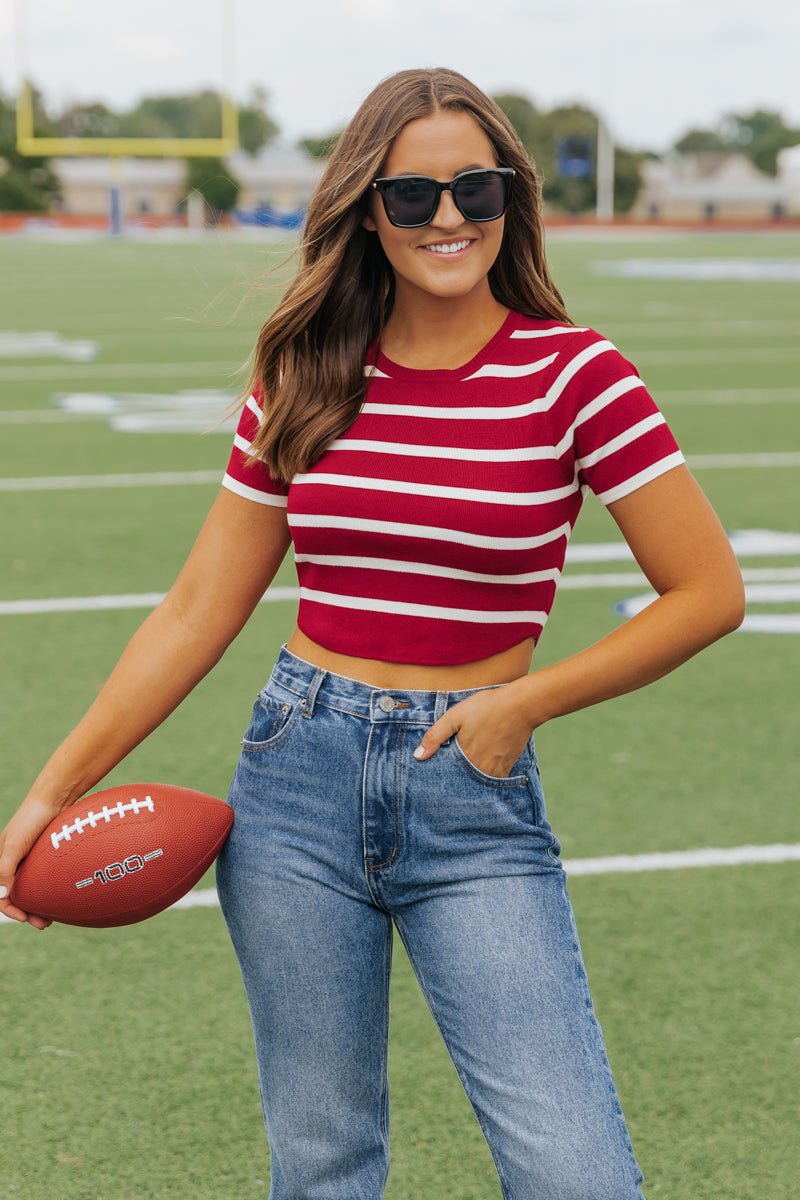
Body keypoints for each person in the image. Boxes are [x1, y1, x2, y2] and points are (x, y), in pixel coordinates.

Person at [0, 67, 744, 1200]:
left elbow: (705, 591)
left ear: (510, 198)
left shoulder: (575, 376)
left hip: (471, 786)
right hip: (294, 781)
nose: (447, 218)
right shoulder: (304, 372)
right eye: (410, 197)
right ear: (364, 209)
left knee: (573, 1173)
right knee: (323, 1165)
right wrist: (51, 793)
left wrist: (520, 705)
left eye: (474, 188)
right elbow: (200, 607)